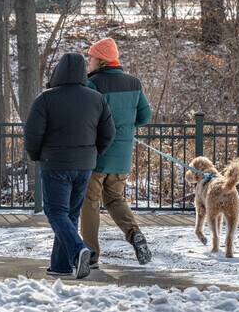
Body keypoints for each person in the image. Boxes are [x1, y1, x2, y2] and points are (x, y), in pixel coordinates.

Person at [24, 52, 116, 279]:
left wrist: (37, 156)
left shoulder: (46, 98)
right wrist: (93, 154)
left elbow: (32, 134)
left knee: (55, 212)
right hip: (84, 166)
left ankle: (78, 250)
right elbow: (109, 133)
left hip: (54, 164)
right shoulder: (96, 98)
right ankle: (61, 267)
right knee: (70, 215)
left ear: (58, 71)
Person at [80, 37, 153, 268]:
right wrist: (126, 127)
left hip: (98, 155)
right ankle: (134, 234)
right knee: (115, 199)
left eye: (90, 57)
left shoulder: (92, 84)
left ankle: (91, 254)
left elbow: (87, 120)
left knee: (89, 202)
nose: (87, 61)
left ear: (100, 60)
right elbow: (144, 117)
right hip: (122, 156)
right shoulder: (134, 83)